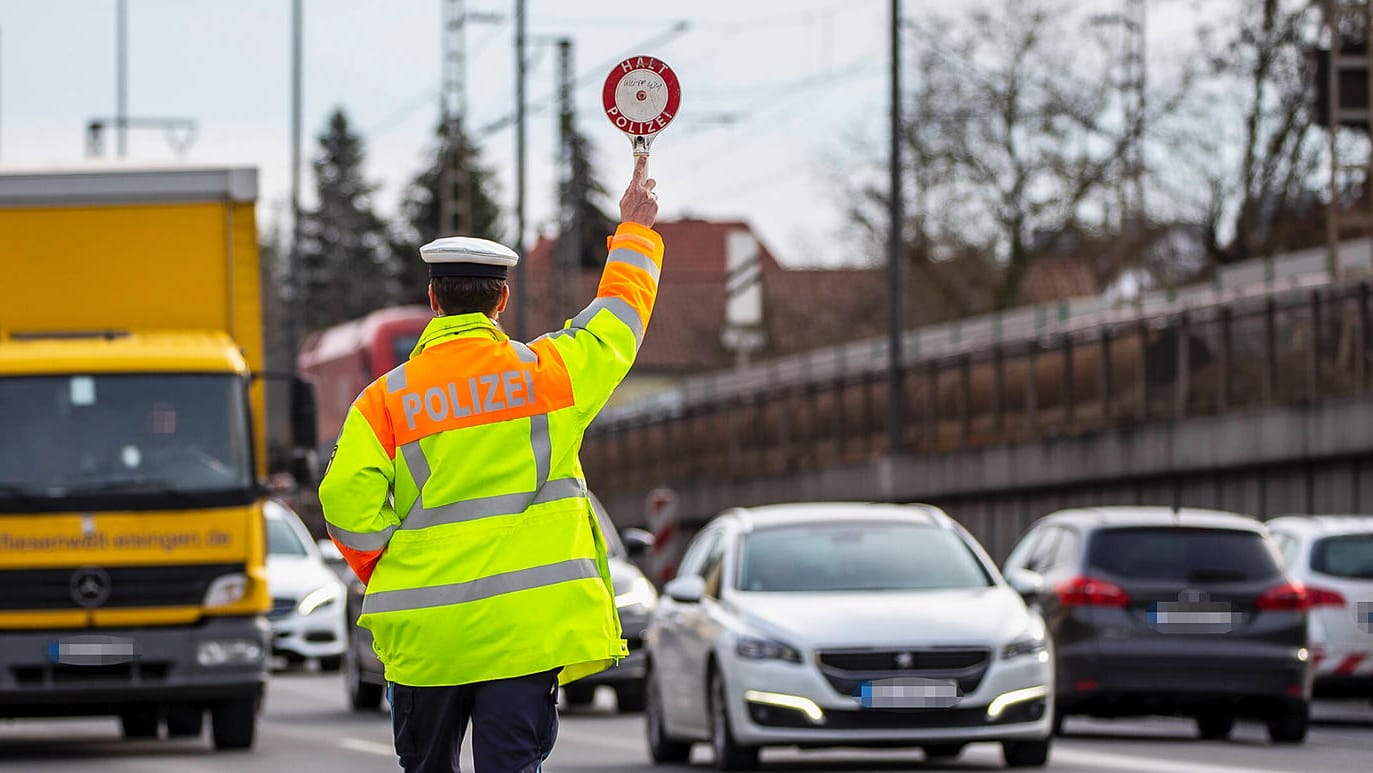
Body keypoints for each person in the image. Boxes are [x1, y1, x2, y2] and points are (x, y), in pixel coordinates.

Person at [319, 156, 661, 773]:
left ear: (432, 297)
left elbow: (344, 504)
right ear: (501, 298)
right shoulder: (551, 376)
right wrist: (635, 230)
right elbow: (619, 323)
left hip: (427, 635)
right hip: (523, 635)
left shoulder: (382, 402)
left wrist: (389, 569)